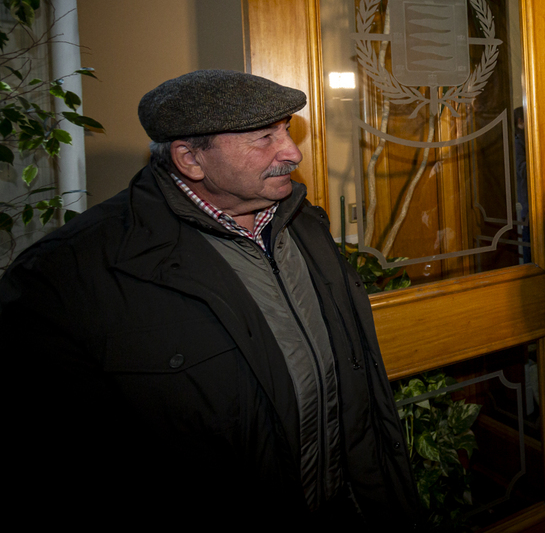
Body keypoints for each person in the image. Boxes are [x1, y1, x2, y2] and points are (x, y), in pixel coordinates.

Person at [0, 70, 422, 526]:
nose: (292, 152)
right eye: (264, 138)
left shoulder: (305, 224)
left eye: (286, 131)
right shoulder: (65, 277)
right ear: (190, 159)